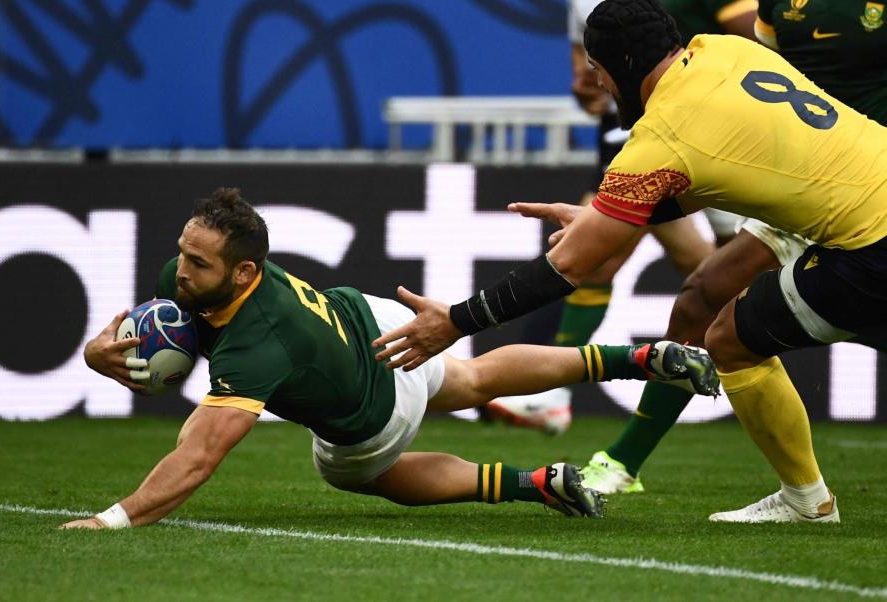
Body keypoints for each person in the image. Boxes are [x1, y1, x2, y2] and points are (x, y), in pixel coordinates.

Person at [374, 0, 887, 523]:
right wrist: (604, 216)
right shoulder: (724, 52)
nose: (596, 84)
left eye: (596, 69)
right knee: (716, 304)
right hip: (869, 201)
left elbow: (565, 270)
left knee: (730, 337)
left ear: (619, 64)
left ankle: (807, 501)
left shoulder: (661, 136)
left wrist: (457, 321)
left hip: (871, 244)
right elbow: (728, 161)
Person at [59, 188, 719, 530]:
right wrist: (100, 353)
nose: (181, 269)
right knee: (473, 377)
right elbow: (169, 326)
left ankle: (532, 483)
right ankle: (638, 358)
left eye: (198, 262)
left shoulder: (260, 346)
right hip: (379, 323)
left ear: (243, 273)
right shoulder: (200, 277)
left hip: (373, 413)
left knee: (356, 475)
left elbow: (198, 456)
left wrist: (114, 518)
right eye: (184, 251)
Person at [572, 0, 887, 496]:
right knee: (702, 297)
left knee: (740, 315)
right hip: (802, 175)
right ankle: (623, 460)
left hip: (867, 181)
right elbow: (771, 76)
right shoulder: (780, 6)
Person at [486, 0, 757, 443]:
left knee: (605, 254)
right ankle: (554, 394)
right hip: (635, 125)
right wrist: (592, 82)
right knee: (705, 271)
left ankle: (552, 392)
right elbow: (587, 68)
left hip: (713, 126)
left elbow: (752, 32)